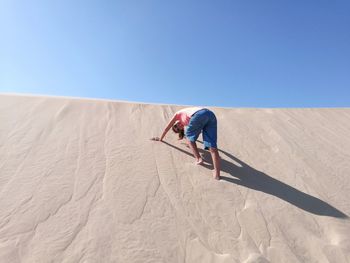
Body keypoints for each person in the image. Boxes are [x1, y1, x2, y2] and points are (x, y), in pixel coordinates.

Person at [152, 107, 221, 180]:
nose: (178, 126)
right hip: (210, 115)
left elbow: (167, 128)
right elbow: (197, 130)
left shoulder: (177, 115)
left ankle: (198, 159)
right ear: (181, 130)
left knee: (189, 138)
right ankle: (217, 174)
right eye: (178, 129)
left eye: (175, 126)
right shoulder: (189, 123)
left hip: (200, 114)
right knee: (212, 146)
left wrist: (161, 138)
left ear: (174, 123)